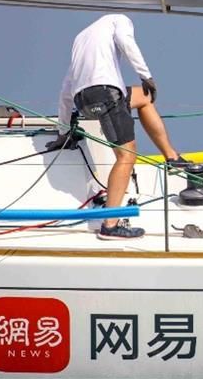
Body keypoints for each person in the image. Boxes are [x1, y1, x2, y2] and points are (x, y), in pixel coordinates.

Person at [48, 14, 187, 240]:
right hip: (105, 93)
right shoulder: (120, 21)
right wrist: (146, 76)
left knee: (144, 97)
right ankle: (110, 225)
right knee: (126, 156)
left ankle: (171, 157)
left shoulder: (82, 38)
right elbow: (126, 42)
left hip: (83, 100)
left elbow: (66, 88)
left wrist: (63, 132)